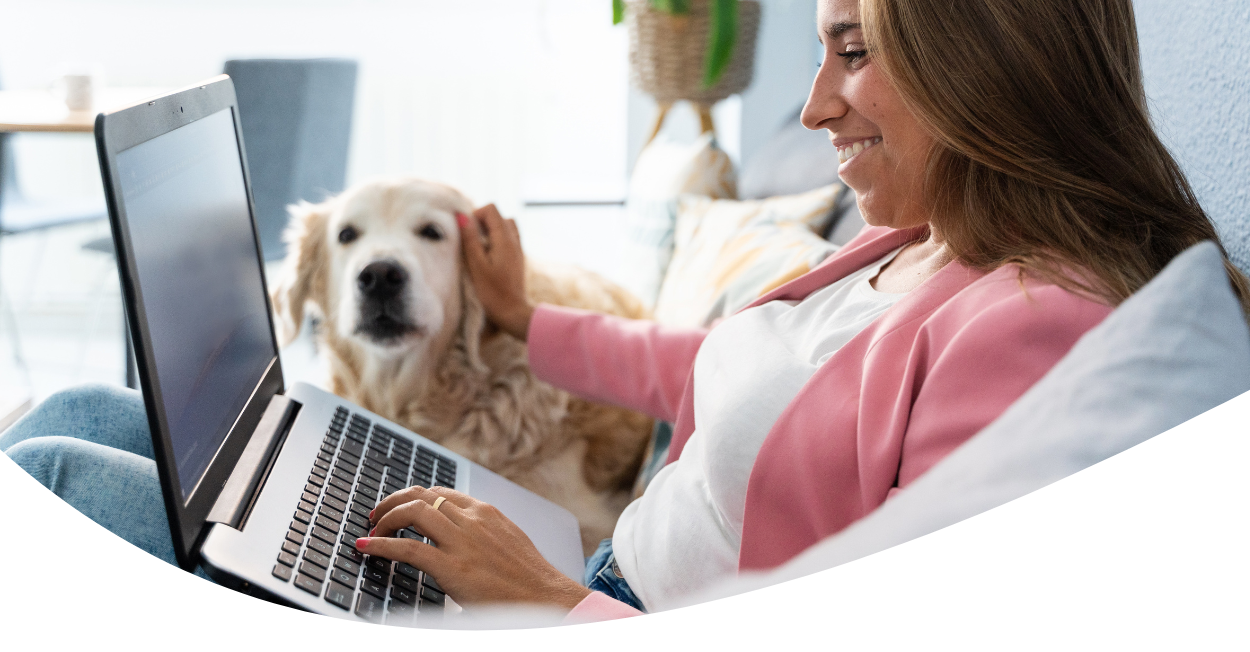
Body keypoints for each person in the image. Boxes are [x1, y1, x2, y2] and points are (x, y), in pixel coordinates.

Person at [3, 0, 1247, 623]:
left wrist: (543, 600)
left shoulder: (1032, 331)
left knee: (53, 467)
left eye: (852, 49)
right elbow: (707, 369)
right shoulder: (923, 243)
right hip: (574, 558)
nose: (813, 106)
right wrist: (522, 316)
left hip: (580, 608)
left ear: (991, 62)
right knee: (78, 403)